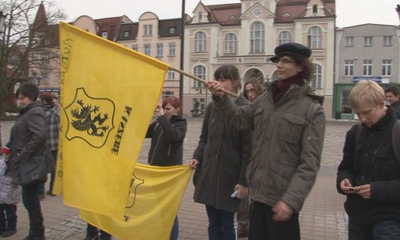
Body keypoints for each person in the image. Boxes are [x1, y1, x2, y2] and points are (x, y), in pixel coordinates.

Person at [205, 42, 325, 240]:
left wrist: (291, 201)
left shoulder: (312, 109)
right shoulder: (266, 99)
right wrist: (220, 98)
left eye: (286, 61)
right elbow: (238, 118)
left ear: (301, 66)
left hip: (282, 201)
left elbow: (309, 164)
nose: (279, 65)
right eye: (278, 60)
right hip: (257, 197)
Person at [189, 65, 253, 240]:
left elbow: (249, 150)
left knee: (228, 225)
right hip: (210, 174)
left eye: (224, 79)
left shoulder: (245, 108)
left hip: (229, 177)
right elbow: (204, 137)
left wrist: (243, 181)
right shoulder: (211, 107)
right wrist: (197, 156)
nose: (220, 83)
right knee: (213, 224)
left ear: (235, 83)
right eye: (218, 79)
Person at [337, 80, 400, 239]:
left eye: (366, 112)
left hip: (390, 220)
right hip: (358, 216)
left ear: (381, 103)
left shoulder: (397, 132)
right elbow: (345, 167)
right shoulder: (355, 133)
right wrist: (344, 180)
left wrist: (377, 190)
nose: (362, 119)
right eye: (358, 114)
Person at [5, 83, 48, 240]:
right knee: (30, 200)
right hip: (26, 162)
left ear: (31, 97)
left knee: (30, 200)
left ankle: (37, 233)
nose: (20, 101)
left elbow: (40, 136)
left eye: (22, 98)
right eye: (18, 98)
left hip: (30, 164)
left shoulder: (34, 112)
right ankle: (36, 232)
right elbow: (21, 136)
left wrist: (23, 154)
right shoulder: (27, 112)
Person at [146, 96, 187, 240]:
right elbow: (144, 132)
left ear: (177, 110)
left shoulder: (180, 124)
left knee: (169, 210)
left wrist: (162, 118)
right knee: (159, 208)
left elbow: (173, 136)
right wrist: (144, 113)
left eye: (168, 109)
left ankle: (171, 237)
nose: (166, 111)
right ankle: (162, 234)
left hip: (169, 172)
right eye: (164, 108)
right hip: (156, 169)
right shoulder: (159, 123)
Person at [235, 76, 264, 238]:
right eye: (247, 91)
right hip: (248, 160)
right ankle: (244, 224)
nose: (250, 94)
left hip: (261, 161)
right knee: (245, 198)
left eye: (253, 90)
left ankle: (247, 225)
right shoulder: (247, 110)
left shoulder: (264, 108)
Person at [39, 92, 60, 196]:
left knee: (42, 167)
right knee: (54, 168)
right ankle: (53, 189)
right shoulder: (56, 113)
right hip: (55, 144)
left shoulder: (40, 113)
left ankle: (41, 192)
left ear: (43, 101)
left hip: (43, 145)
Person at [0, 147, 21, 238]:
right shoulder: (1, 163)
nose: (6, 157)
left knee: (10, 212)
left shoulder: (16, 165)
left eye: (8, 155)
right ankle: (1, 227)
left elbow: (17, 180)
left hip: (11, 194)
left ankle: (11, 227)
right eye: (5, 155)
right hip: (1, 192)